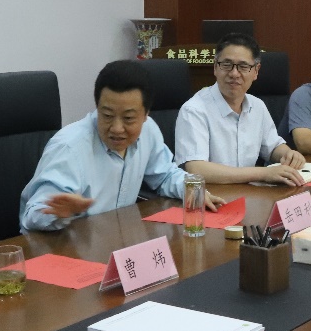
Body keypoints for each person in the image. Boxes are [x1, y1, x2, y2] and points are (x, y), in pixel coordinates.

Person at [21, 60, 224, 233]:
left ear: (146, 114)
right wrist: (61, 213)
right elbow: (32, 215)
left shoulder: (148, 130)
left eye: (128, 118)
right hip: (64, 247)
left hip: (113, 239)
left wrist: (191, 189)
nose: (117, 128)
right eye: (107, 115)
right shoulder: (69, 148)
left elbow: (165, 175)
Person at [175, 33, 306, 186]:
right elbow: (197, 169)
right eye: (226, 65)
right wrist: (263, 173)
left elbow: (273, 147)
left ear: (256, 71)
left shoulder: (257, 106)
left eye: (243, 66)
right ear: (215, 67)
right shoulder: (194, 110)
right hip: (211, 196)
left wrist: (288, 154)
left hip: (250, 194)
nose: (234, 73)